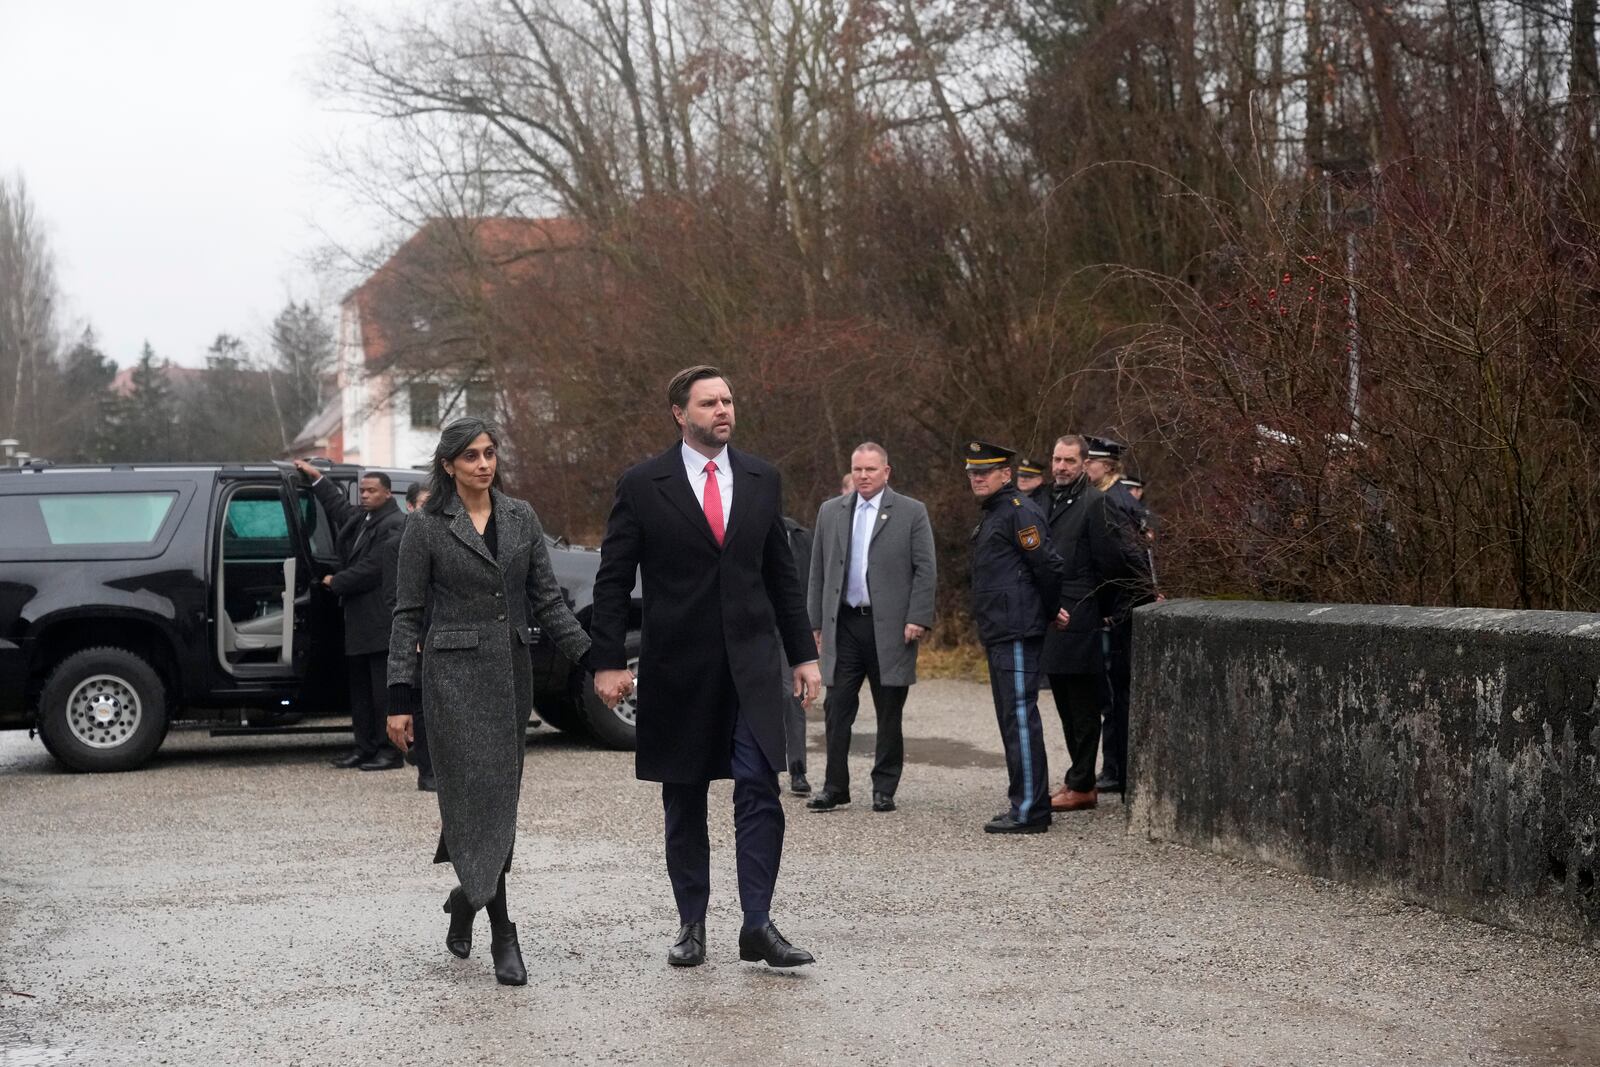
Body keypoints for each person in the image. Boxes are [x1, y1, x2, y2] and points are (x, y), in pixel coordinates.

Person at [590, 365, 821, 970]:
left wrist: (804, 654)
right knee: (684, 796)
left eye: (729, 399)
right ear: (679, 413)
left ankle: (757, 924)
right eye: (710, 402)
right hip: (678, 668)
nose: (724, 410)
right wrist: (608, 660)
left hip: (749, 664)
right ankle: (691, 924)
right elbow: (613, 579)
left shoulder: (761, 478)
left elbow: (781, 574)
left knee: (759, 787)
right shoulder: (644, 484)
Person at [384, 417, 592, 987]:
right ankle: (504, 929)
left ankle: (464, 897)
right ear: (449, 465)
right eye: (471, 456)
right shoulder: (426, 527)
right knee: (473, 796)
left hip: (509, 679)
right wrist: (399, 697)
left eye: (490, 453)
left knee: (496, 801)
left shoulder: (521, 516)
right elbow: (406, 615)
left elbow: (548, 603)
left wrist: (594, 660)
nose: (483, 463)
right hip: (450, 682)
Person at [805, 442, 936, 814]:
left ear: (886, 472)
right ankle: (835, 786)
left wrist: (918, 617)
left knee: (889, 709)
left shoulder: (911, 512)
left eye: (871, 470)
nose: (863, 476)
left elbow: (926, 568)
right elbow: (818, 570)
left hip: (891, 628)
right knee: (837, 706)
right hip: (844, 625)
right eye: (858, 469)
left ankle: (884, 787)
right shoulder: (831, 511)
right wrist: (815, 622)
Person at [964, 440, 1070, 834]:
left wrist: (1048, 610)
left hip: (1017, 629)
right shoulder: (994, 514)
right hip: (1001, 629)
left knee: (1021, 718)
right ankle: (1023, 800)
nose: (977, 478)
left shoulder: (1018, 512)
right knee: (1012, 717)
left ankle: (1030, 810)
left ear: (1005, 475)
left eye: (985, 471)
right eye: (972, 472)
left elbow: (1049, 566)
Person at [292, 460, 405, 772]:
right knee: (360, 691)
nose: (365, 495)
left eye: (371, 491)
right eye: (363, 490)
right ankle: (364, 746)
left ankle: (389, 751)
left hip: (380, 621)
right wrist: (317, 479)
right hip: (358, 621)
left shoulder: (394, 525)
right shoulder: (363, 519)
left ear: (387, 493)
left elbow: (374, 567)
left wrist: (335, 582)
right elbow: (337, 507)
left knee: (382, 692)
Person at [1039, 435, 1130, 812]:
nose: (1061, 467)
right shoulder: (1046, 498)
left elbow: (1112, 563)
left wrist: (1100, 611)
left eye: (1069, 461)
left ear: (1083, 463)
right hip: (1052, 614)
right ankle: (1078, 777)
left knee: (1084, 704)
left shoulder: (1096, 503)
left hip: (1081, 616)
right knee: (1063, 701)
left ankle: (1082, 784)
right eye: (1057, 459)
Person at [1080, 435, 1157, 794]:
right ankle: (1117, 770)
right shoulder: (1120, 498)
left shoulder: (1110, 501)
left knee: (1117, 693)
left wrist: (1129, 600)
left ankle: (1118, 772)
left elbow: (1129, 556)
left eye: (1089, 462)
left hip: (1125, 605)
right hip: (1129, 601)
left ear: (1106, 466)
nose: (1084, 467)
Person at [401, 482, 435, 793]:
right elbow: (398, 598)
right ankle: (427, 771)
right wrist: (412, 635)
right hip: (418, 636)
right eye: (425, 503)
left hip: (437, 635)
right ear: (411, 506)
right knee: (421, 708)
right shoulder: (403, 541)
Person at [781, 516, 815, 796]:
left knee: (792, 695)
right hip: (745, 627)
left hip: (785, 627)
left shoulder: (799, 535)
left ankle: (797, 768)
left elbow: (811, 583)